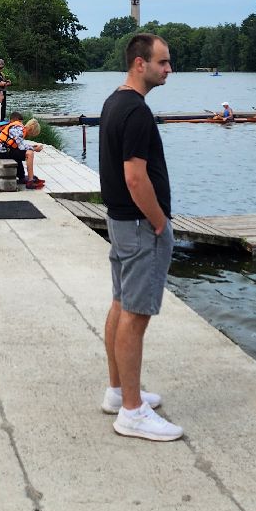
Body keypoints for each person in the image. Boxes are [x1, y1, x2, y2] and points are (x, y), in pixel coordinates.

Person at [99, 32, 181, 442]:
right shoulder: (136, 112)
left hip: (120, 222)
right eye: (162, 62)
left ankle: (118, 392)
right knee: (135, 315)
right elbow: (135, 176)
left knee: (120, 305)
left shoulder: (114, 101)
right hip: (138, 224)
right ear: (139, 64)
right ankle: (132, 412)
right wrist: (160, 222)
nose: (169, 69)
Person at [0, 111, 46, 188]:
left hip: (4, 149)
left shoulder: (19, 128)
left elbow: (19, 144)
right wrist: (34, 149)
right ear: (31, 130)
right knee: (30, 153)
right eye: (32, 134)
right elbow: (21, 146)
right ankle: (30, 181)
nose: (30, 136)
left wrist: (32, 146)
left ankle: (22, 177)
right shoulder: (19, 129)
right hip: (1, 151)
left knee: (26, 152)